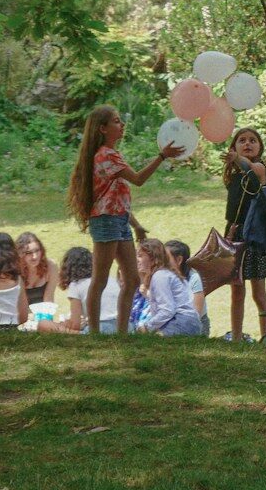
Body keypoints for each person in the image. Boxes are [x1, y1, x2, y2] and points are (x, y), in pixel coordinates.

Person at [66, 105, 183, 337]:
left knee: (130, 278)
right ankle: (95, 333)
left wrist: (136, 225)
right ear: (102, 128)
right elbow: (138, 179)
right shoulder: (105, 155)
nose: (122, 125)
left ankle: (121, 334)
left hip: (118, 220)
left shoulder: (110, 155)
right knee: (100, 278)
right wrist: (162, 156)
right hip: (106, 222)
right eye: (117, 121)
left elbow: (117, 200)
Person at [222, 127, 266, 342]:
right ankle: (236, 337)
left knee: (258, 292)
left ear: (260, 147)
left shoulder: (259, 168)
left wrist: (239, 160)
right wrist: (229, 230)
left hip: (256, 236)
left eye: (253, 140)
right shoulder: (233, 177)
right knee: (237, 290)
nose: (247, 143)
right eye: (241, 140)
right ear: (234, 146)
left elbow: (252, 170)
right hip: (235, 233)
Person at [136, 239, 203, 336]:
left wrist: (147, 327)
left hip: (180, 322)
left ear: (153, 258)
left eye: (140, 256)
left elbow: (167, 310)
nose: (137, 259)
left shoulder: (160, 276)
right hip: (187, 323)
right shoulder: (165, 274)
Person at [38, 247, 98, 333]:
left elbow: (75, 325)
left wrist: (64, 324)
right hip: (121, 326)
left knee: (44, 324)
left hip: (98, 329)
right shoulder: (105, 280)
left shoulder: (76, 286)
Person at [167, 239, 209, 337]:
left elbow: (195, 314)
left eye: (166, 259)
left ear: (179, 260)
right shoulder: (164, 276)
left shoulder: (194, 278)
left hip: (194, 324)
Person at [16, 231, 56, 306]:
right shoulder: (15, 270)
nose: (35, 256)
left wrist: (45, 317)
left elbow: (49, 300)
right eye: (28, 253)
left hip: (42, 314)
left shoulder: (51, 266)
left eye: (37, 250)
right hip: (20, 314)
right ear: (20, 254)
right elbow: (18, 304)